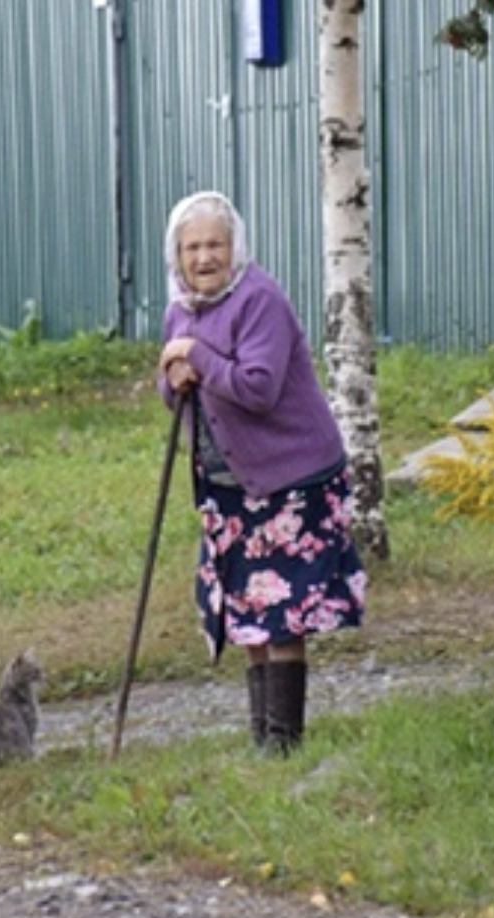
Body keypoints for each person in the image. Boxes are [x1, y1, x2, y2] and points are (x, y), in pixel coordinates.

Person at [156, 190, 366, 756]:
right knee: (245, 609)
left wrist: (194, 356)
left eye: (215, 245)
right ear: (176, 254)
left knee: (282, 612)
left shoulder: (259, 299)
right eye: (192, 247)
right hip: (228, 486)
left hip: (291, 480)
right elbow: (173, 388)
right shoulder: (181, 307)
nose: (204, 258)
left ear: (235, 248)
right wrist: (174, 376)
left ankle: (284, 740)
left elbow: (257, 387)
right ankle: (263, 740)